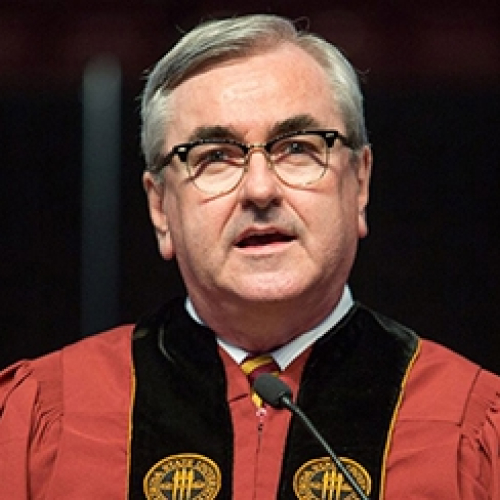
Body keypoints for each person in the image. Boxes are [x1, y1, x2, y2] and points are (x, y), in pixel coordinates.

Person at [0, 13, 499, 500]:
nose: (260, 190)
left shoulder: (470, 423)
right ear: (160, 208)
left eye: (299, 148)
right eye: (214, 156)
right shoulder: (45, 419)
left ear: (360, 184)